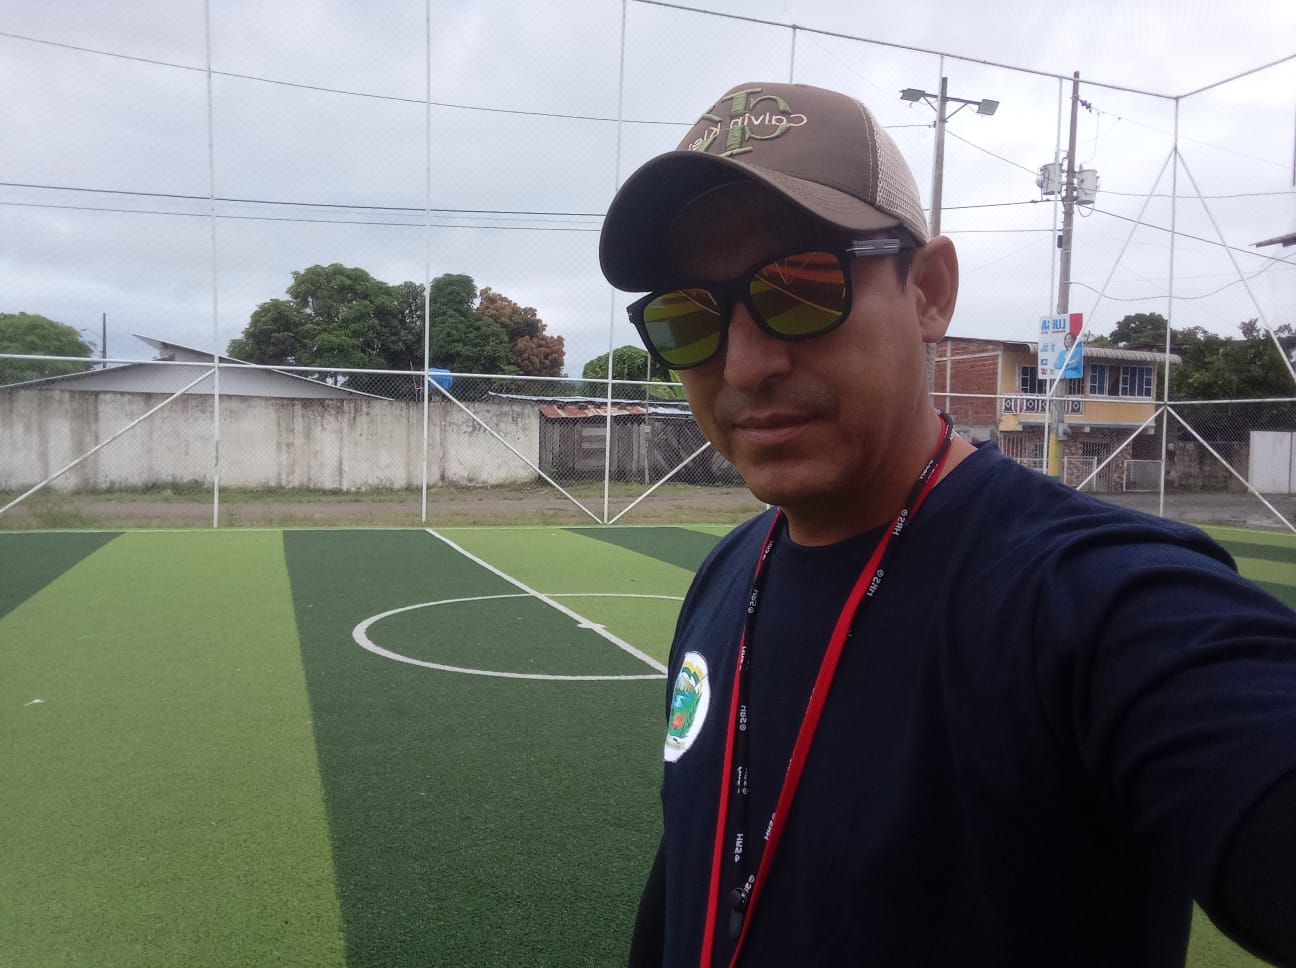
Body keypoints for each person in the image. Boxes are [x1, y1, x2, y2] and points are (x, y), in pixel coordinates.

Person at [598, 81, 1296, 968]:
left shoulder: (1090, 600)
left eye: (800, 289)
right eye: (686, 318)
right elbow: (697, 873)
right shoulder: (730, 572)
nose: (743, 364)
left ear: (928, 291)